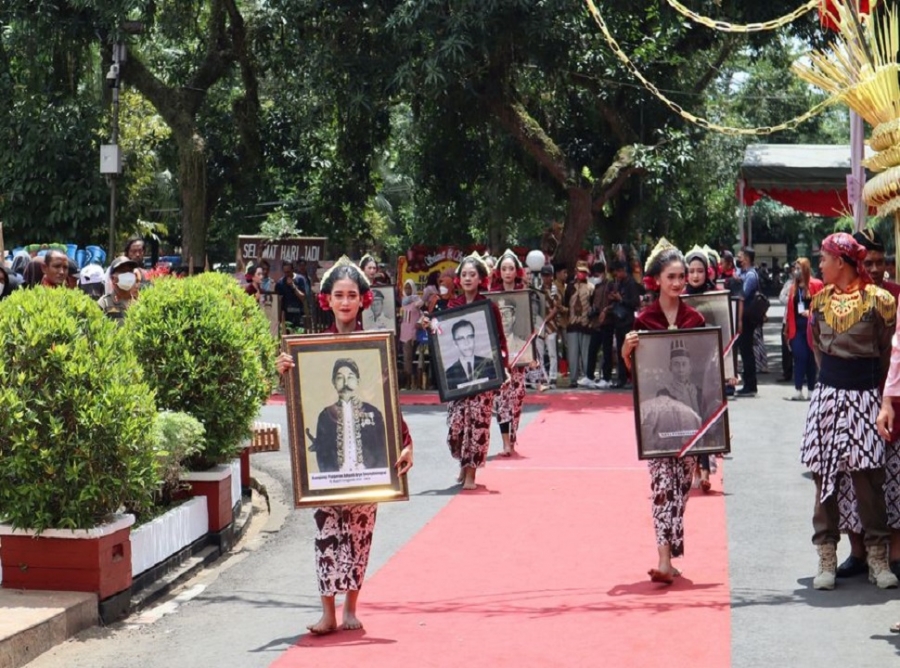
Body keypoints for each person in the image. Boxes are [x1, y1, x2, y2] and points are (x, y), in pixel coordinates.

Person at [274, 256, 413, 635]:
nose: (346, 301)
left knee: (359, 537)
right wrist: (285, 372)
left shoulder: (376, 349)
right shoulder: (310, 351)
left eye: (352, 294)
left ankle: (351, 607)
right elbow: (301, 406)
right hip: (329, 479)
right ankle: (328, 613)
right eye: (339, 295)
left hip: (368, 467)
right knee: (325, 537)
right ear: (328, 301)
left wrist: (405, 444)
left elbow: (390, 405)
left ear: (363, 300)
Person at [800, 232, 897, 590]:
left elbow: (889, 354)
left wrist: (882, 398)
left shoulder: (881, 301)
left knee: (869, 479)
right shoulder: (819, 300)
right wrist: (832, 385)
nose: (820, 264)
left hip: (866, 396)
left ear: (840, 261)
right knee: (824, 478)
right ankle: (826, 556)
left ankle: (877, 558)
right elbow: (817, 351)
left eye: (824, 258)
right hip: (829, 396)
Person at [622, 239, 705, 584]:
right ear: (657, 279)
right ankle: (663, 559)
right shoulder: (644, 320)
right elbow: (638, 376)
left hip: (690, 418)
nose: (677, 283)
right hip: (656, 419)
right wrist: (627, 353)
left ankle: (669, 550)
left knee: (682, 486)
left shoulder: (695, 319)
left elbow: (705, 372)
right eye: (671, 276)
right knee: (661, 484)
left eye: (681, 277)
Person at [836, 230, 900, 580]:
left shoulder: (896, 297)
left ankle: (893, 554)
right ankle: (857, 552)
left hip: (892, 400)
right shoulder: (840, 300)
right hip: (854, 397)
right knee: (852, 478)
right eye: (868, 262)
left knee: (893, 478)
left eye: (880, 262)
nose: (874, 269)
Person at [432, 252, 508, 489]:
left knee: (477, 424)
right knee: (457, 426)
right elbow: (441, 337)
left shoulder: (489, 307)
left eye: (472, 274)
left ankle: (471, 475)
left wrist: (502, 367)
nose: (467, 278)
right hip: (456, 378)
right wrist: (431, 324)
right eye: (463, 274)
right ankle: (463, 465)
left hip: (483, 375)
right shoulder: (450, 306)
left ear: (480, 278)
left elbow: (500, 340)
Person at [682, 245, 721, 492]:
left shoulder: (715, 298)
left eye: (699, 271)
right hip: (685, 367)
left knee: (706, 417)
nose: (695, 276)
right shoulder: (680, 298)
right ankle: (694, 467)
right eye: (691, 271)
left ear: (707, 272)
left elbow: (723, 331)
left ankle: (705, 469)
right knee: (691, 417)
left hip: (709, 366)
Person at [310, 359, 389, 471]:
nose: (345, 383)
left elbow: (382, 452)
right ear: (333, 382)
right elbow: (323, 457)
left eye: (350, 377)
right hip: (336, 481)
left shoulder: (373, 413)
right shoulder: (325, 416)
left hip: (370, 478)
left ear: (358, 381)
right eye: (340, 378)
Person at [490, 249, 528, 456]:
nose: (507, 272)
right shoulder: (493, 295)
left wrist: (532, 356)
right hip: (500, 355)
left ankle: (513, 438)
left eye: (510, 268)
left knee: (517, 397)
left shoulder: (523, 294)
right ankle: (505, 442)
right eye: (503, 268)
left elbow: (531, 324)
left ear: (516, 271)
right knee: (502, 398)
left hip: (520, 354)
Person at [784, 258, 823, 401]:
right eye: (795, 268)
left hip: (811, 327)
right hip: (796, 329)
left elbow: (822, 305)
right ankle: (798, 389)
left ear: (806, 269)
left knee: (811, 358)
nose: (796, 271)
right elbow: (790, 311)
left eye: (799, 268)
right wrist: (787, 331)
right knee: (800, 357)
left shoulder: (816, 285)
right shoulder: (793, 288)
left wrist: (811, 313)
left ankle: (812, 390)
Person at [609, 259, 641, 388]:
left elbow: (635, 303)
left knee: (629, 351)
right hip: (618, 321)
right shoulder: (619, 283)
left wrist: (621, 299)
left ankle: (632, 378)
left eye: (618, 272)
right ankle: (621, 378)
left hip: (628, 321)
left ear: (623, 271)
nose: (617, 275)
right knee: (620, 352)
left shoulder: (632, 284)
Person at [444, 319, 499, 389]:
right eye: (461, 339)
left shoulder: (490, 364)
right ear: (455, 343)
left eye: (470, 337)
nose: (466, 343)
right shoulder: (449, 374)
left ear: (474, 338)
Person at [736, 247, 761, 396]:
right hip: (742, 316)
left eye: (740, 256)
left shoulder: (751, 275)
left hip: (746, 318)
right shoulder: (743, 273)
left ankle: (751, 385)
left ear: (746, 258)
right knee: (744, 350)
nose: (738, 259)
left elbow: (742, 294)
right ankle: (749, 383)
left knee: (747, 351)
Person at [565, 260, 594, 387]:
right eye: (579, 271)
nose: (581, 274)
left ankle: (587, 377)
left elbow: (593, 305)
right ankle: (573, 379)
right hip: (572, 323)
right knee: (572, 353)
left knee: (586, 353)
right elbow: (566, 304)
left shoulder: (591, 287)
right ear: (576, 272)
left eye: (584, 272)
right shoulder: (569, 287)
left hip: (586, 323)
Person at [586, 261, 612, 388]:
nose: (596, 277)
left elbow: (612, 302)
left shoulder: (610, 285)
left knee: (607, 351)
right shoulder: (596, 287)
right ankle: (589, 376)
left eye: (598, 274)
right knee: (592, 350)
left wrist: (605, 311)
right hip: (596, 323)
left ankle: (606, 378)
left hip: (607, 322)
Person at [98, 256, 140, 323]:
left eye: (130, 271)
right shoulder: (104, 303)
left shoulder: (139, 302)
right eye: (123, 271)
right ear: (113, 278)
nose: (128, 274)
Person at [539, 264, 560, 387]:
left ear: (551, 276)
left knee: (552, 353)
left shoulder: (554, 289)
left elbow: (556, 308)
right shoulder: (538, 289)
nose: (546, 278)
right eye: (544, 275)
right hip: (540, 325)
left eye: (548, 275)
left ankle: (552, 377)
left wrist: (547, 319)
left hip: (551, 325)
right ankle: (542, 376)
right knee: (540, 353)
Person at [400, 279, 423, 389]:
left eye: (409, 287)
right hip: (404, 333)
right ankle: (407, 383)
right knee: (407, 358)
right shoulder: (403, 302)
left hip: (414, 333)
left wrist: (419, 323)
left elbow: (423, 314)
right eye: (406, 288)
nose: (408, 290)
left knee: (414, 358)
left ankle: (415, 383)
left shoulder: (417, 301)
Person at [276, 261, 308, 331]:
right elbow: (279, 302)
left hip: (299, 315)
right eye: (285, 272)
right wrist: (279, 319)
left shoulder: (300, 279)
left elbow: (303, 297)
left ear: (293, 270)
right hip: (286, 317)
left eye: (288, 272)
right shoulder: (280, 283)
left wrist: (293, 286)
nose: (287, 274)